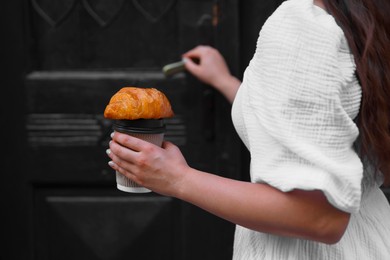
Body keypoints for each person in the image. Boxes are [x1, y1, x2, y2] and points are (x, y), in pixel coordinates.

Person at [106, 0, 390, 258]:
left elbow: (319, 216)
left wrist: (177, 179)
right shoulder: (367, 20)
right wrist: (226, 82)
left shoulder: (302, 25)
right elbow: (323, 121)